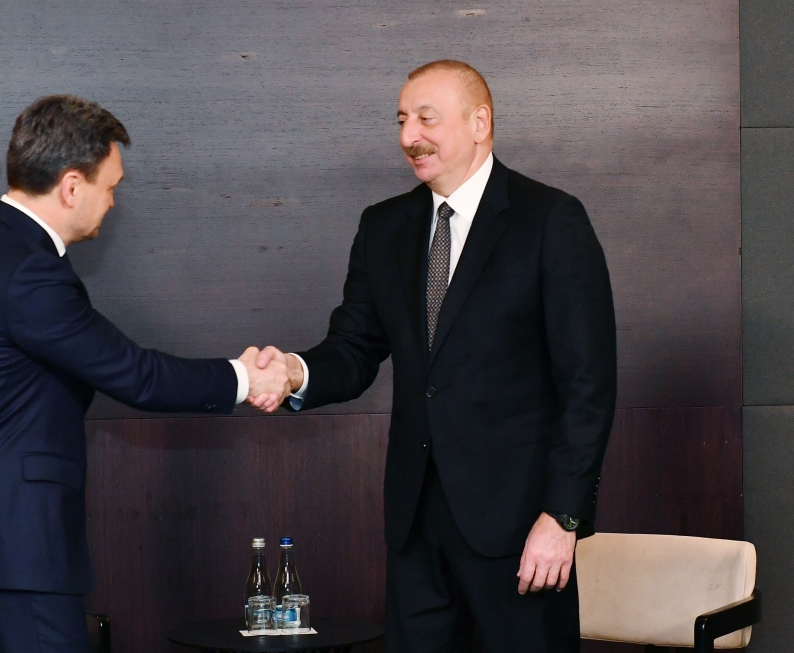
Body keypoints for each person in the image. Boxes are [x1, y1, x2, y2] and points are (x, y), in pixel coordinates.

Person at [255, 60, 617, 651]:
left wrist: (563, 518)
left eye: (426, 119)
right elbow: (353, 349)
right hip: (415, 525)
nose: (408, 136)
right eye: (401, 120)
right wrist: (296, 372)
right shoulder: (383, 227)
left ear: (480, 123)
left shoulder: (551, 219)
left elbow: (588, 386)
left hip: (522, 528)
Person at [0, 94, 289, 653]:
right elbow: (136, 375)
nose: (113, 202)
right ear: (71, 186)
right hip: (12, 548)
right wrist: (246, 379)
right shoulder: (28, 270)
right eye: (110, 187)